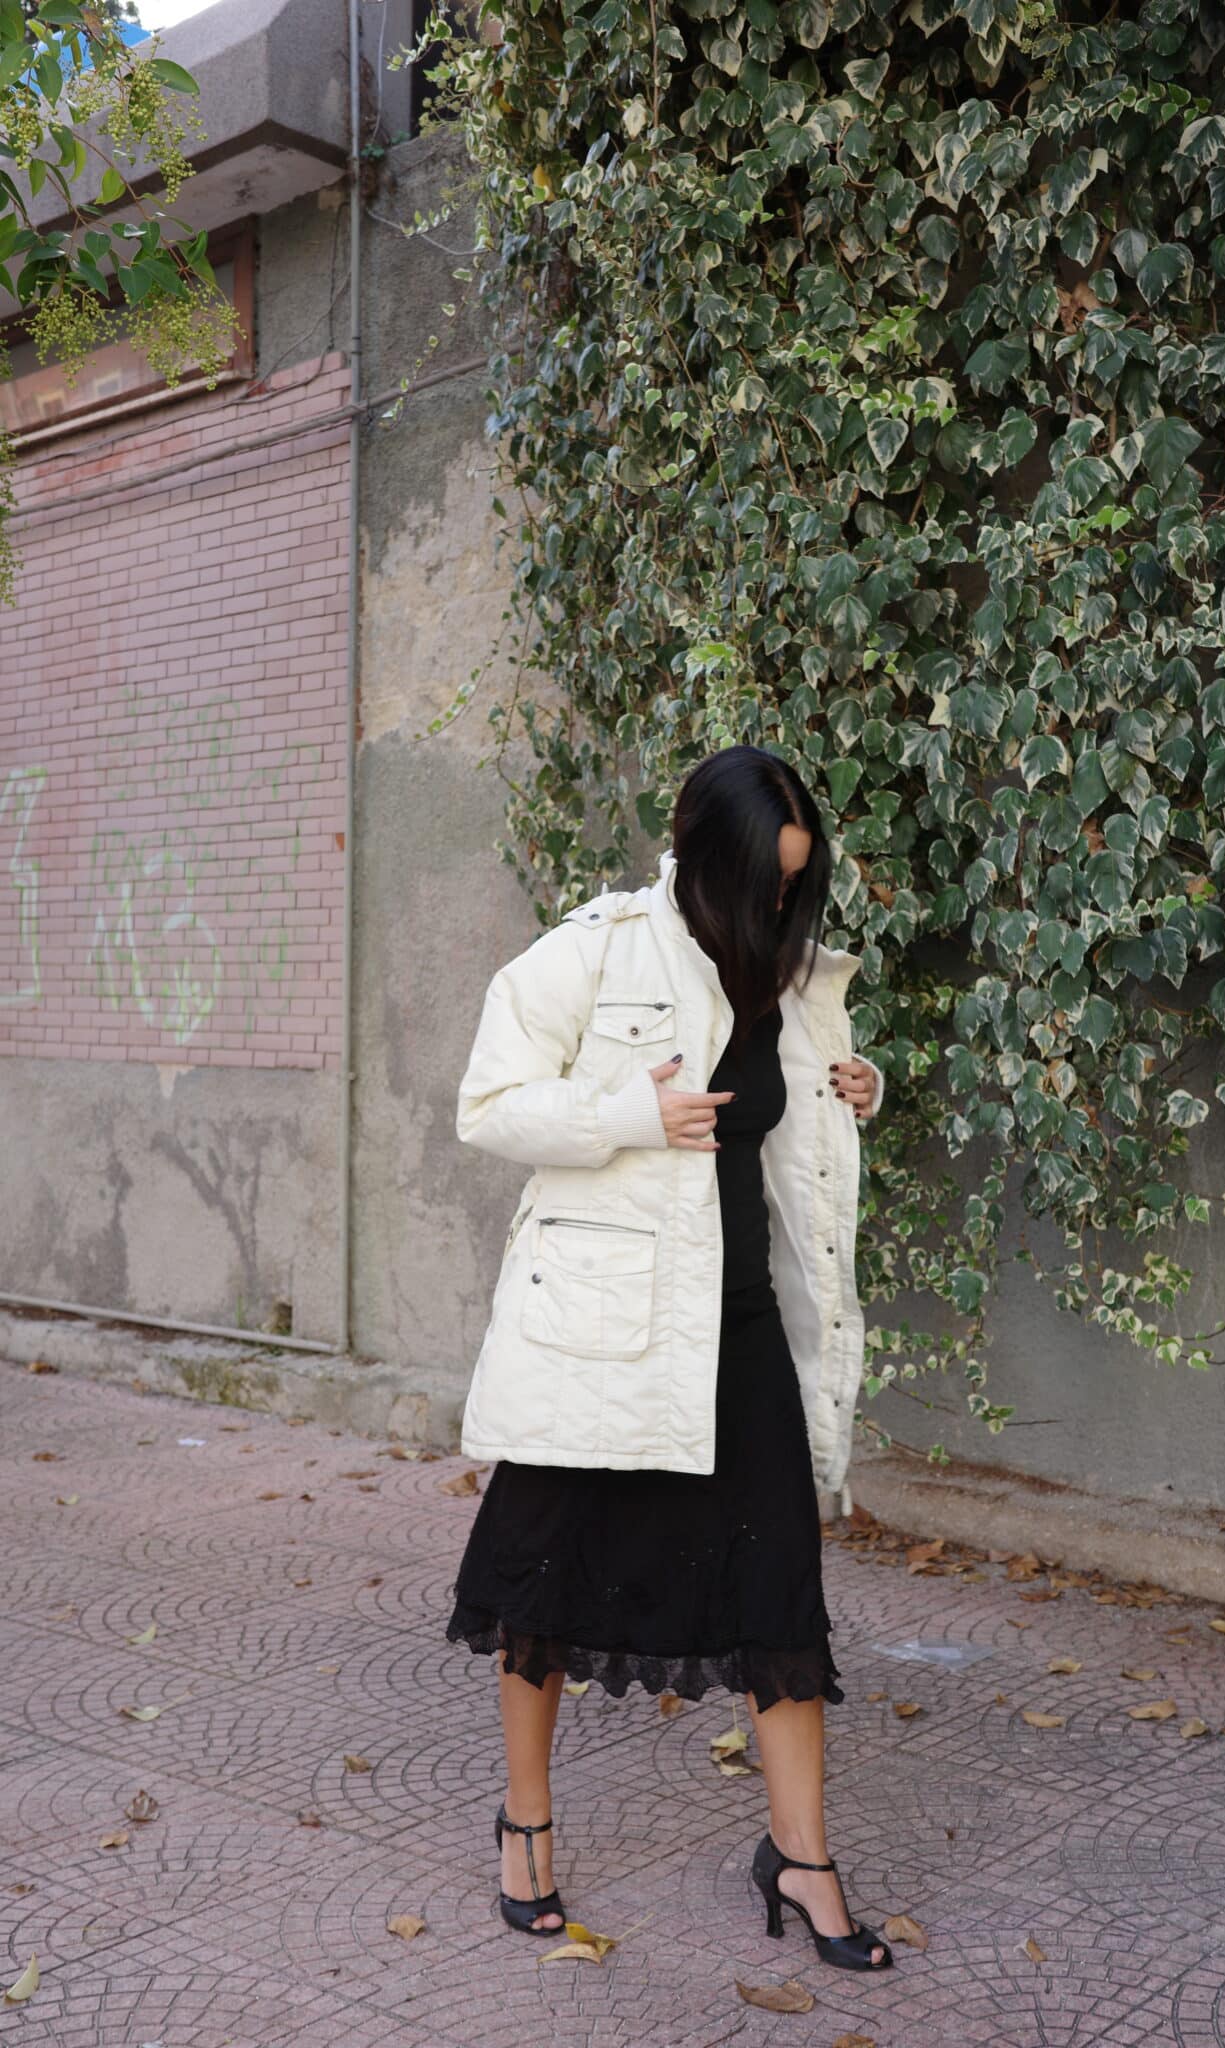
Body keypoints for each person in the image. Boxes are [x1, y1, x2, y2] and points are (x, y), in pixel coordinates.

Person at [444, 744, 893, 1972]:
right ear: (699, 854)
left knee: (779, 1597)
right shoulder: (596, 947)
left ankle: (801, 1858)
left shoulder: (795, 979)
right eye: (763, 881)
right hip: (605, 1332)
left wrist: (857, 1085)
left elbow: (783, 1129)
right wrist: (624, 1117)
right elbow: (486, 1105)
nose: (779, 908)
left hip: (744, 1332)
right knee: (543, 1582)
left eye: (796, 887)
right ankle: (523, 1820)